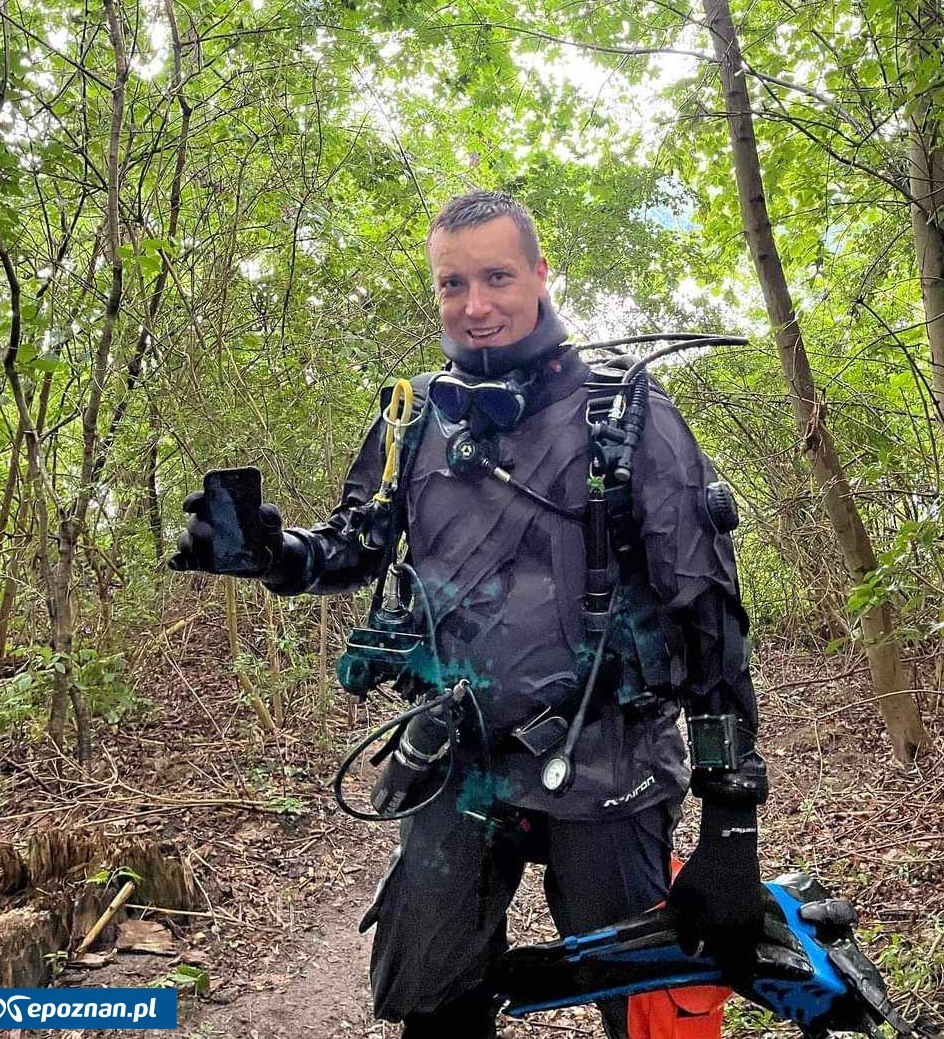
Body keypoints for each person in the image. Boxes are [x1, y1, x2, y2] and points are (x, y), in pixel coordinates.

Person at [172, 190, 768, 1039]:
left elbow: (706, 613)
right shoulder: (410, 417)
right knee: (430, 998)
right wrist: (275, 552)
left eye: (496, 277)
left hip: (609, 764)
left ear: (540, 274)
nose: (475, 306)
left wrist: (732, 823)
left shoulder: (628, 416)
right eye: (453, 284)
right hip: (458, 762)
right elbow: (357, 546)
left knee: (647, 1007)